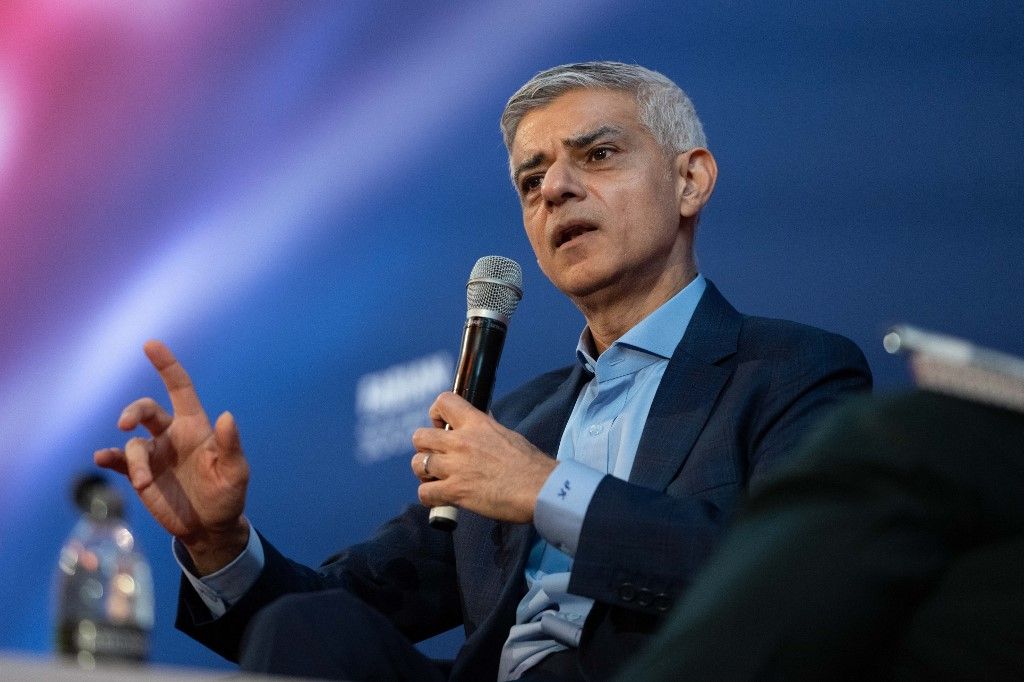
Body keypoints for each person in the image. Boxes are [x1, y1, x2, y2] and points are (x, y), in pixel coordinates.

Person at [95, 62, 871, 681]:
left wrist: (545, 491)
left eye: (597, 155)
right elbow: (342, 616)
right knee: (309, 628)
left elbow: (798, 581)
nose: (556, 188)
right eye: (532, 180)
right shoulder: (519, 422)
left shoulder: (791, 370)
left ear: (691, 180)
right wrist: (220, 542)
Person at [618, 390, 1024, 681]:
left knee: (914, 429)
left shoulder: (790, 363)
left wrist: (563, 491)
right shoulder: (552, 398)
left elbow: (754, 560)